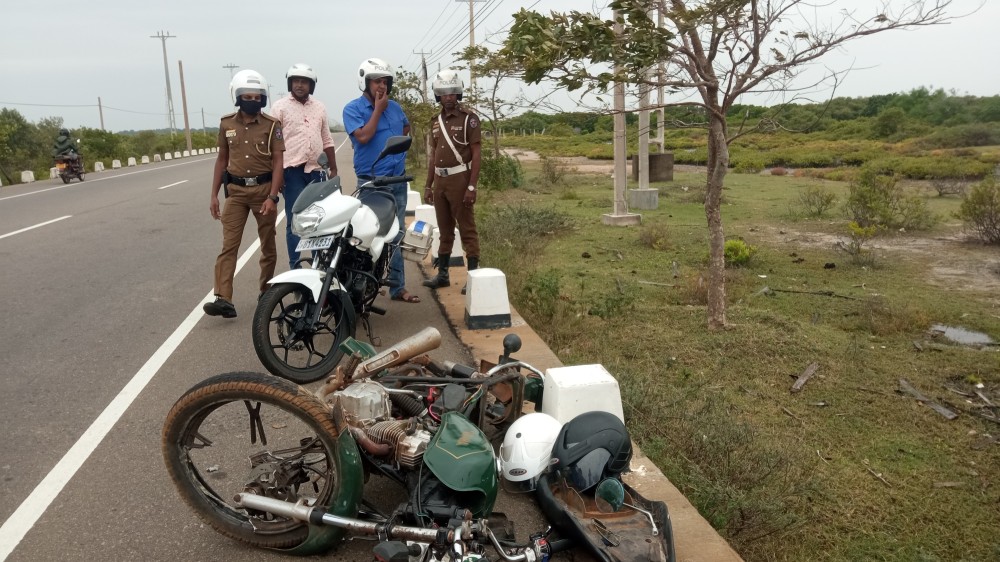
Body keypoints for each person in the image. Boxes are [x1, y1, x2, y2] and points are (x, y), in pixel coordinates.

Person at [204, 69, 285, 319]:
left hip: (263, 192)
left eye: (256, 96)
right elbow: (221, 160)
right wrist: (214, 195)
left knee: (268, 246)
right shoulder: (226, 124)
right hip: (236, 193)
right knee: (229, 245)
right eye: (246, 96)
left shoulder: (272, 125)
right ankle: (223, 298)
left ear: (263, 98)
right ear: (237, 97)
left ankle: (266, 292)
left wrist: (272, 197)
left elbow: (278, 162)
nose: (252, 100)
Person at [343, 57, 419, 303]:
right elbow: (363, 137)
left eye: (385, 81)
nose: (381, 86)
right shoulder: (353, 109)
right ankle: (364, 284)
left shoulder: (396, 107)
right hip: (371, 182)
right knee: (367, 235)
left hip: (396, 179)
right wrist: (378, 109)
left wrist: (399, 155)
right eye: (376, 81)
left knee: (396, 234)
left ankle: (398, 287)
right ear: (365, 83)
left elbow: (405, 129)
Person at [269, 63, 338, 270]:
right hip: (292, 172)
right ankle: (296, 268)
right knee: (295, 222)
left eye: (304, 82)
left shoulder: (319, 107)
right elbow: (273, 144)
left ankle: (318, 267)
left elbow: (327, 138)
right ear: (290, 83)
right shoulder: (279, 107)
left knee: (318, 221)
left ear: (311, 85)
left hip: (316, 171)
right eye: (296, 81)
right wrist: (277, 176)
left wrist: (333, 168)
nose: (300, 85)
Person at [422, 69, 481, 295]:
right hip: (440, 181)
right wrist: (429, 185)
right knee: (445, 230)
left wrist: (471, 186)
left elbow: (476, 155)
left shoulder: (469, 119)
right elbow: (433, 155)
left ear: (458, 94)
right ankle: (443, 275)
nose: (448, 97)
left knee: (467, 229)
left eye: (452, 93)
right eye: (444, 93)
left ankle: (473, 277)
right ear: (438, 95)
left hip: (460, 179)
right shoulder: (435, 121)